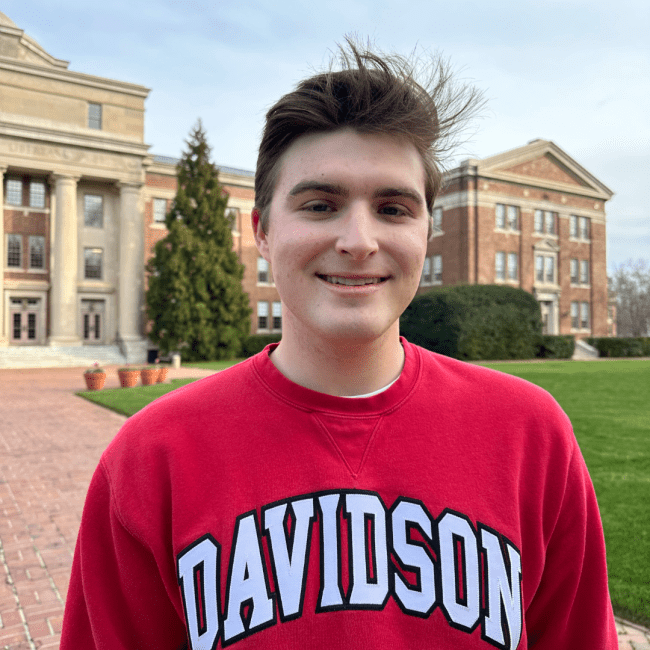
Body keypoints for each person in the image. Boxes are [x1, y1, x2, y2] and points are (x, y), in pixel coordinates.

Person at [61, 41, 618, 649]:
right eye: (321, 205)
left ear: (426, 232)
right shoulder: (150, 458)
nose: (358, 239)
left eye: (392, 208)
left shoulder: (531, 435)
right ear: (263, 232)